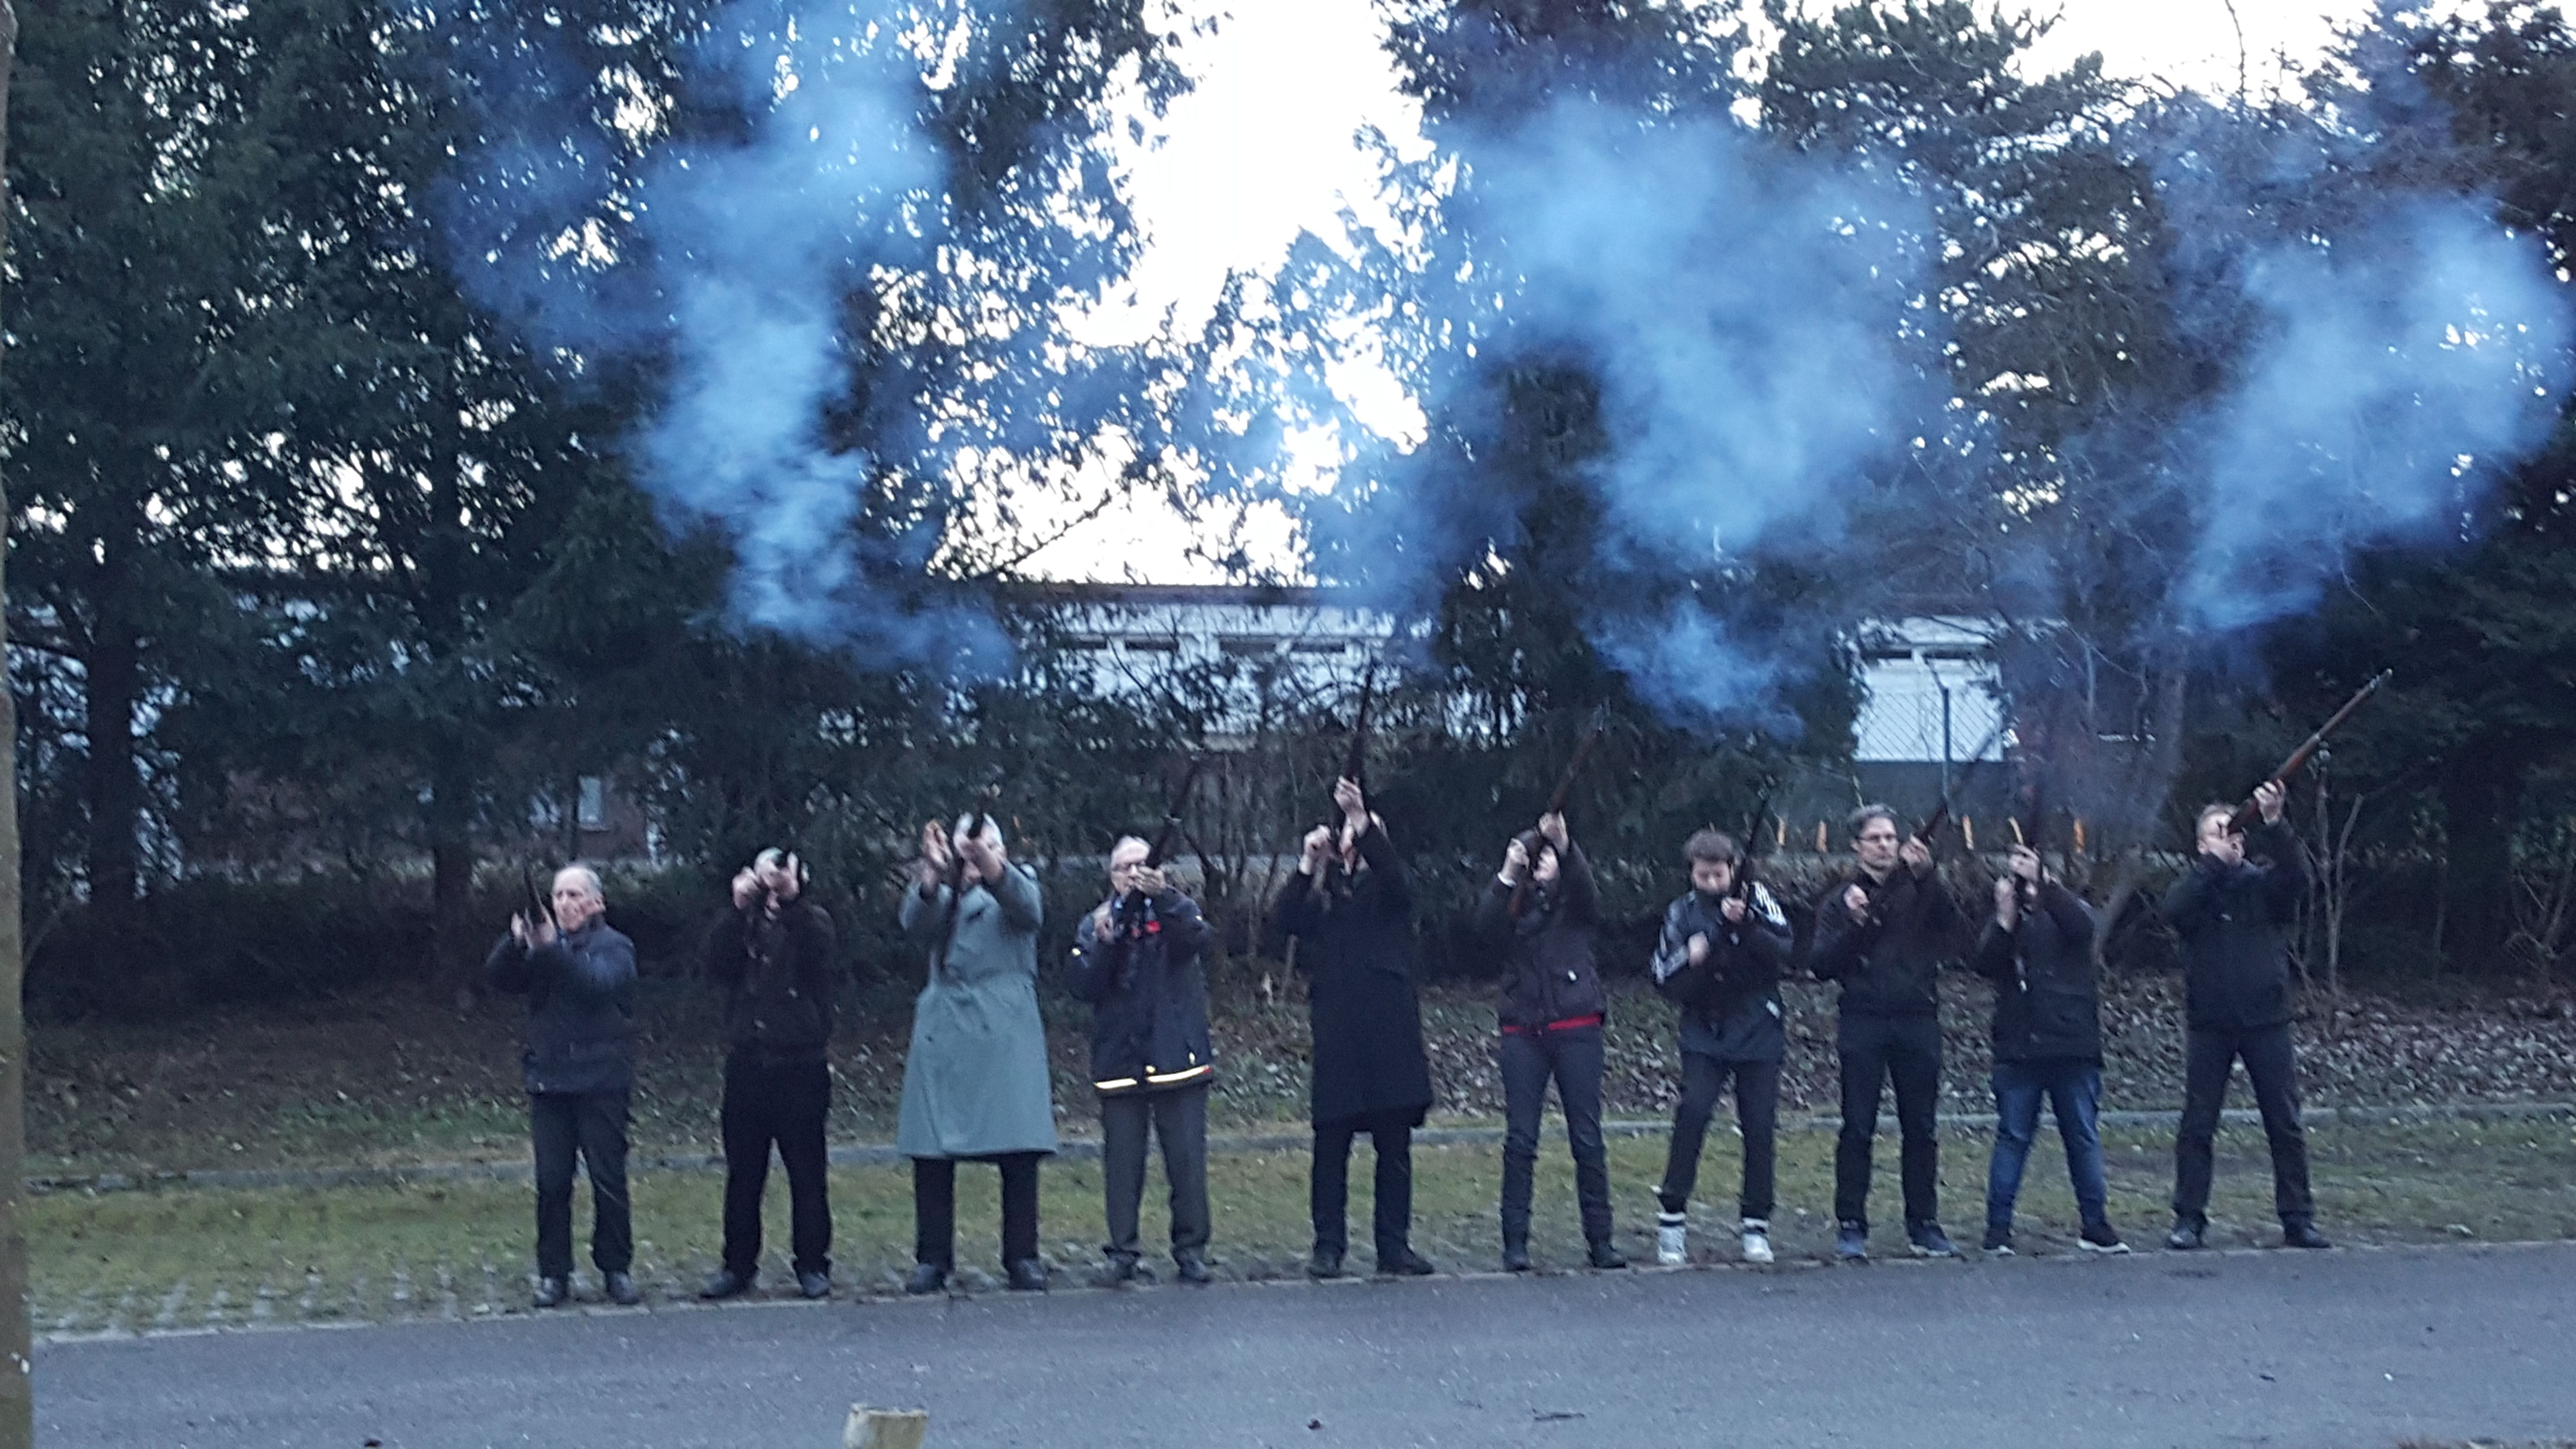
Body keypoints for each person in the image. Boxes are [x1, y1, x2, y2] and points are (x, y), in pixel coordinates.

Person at [1270, 776, 1436, 1279]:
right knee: (1330, 1148)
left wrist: (1362, 820)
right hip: (1339, 1037)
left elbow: (1397, 880)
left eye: (1365, 835)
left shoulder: (1391, 891)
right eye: (1351, 834)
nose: (1356, 841)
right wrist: (1308, 864)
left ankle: (1394, 1246)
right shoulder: (1325, 899)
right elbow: (1282, 921)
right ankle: (1328, 1246)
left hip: (1389, 1036)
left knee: (1394, 1148)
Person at [895, 813, 1060, 1293]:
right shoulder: (945, 898)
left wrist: (985, 858)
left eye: (984, 846)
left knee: (1018, 1152)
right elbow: (914, 923)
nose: (971, 856)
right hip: (944, 1031)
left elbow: (1027, 909)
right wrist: (933, 871)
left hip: (1003, 1032)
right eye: (966, 848)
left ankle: (1022, 1256)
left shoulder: (1016, 885)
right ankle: (932, 1258)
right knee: (932, 1154)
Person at [2162, 782, 2330, 1251]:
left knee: (2284, 1122)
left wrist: (2275, 824)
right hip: (2210, 1022)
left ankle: (2298, 1217)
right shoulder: (2194, 890)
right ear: (2201, 845)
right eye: (2219, 832)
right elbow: (2174, 910)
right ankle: (2189, 1217)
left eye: (2235, 831)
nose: (2231, 839)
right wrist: (2213, 868)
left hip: (2266, 1019)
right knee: (2198, 1124)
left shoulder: (2262, 885)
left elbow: (2298, 880)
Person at [483, 865, 640, 1308]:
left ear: (596, 902)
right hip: (549, 1081)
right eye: (558, 896)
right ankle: (554, 1273)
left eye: (574, 895)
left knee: (608, 1180)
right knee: (552, 1183)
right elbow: (498, 978)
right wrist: (516, 942)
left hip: (601, 1081)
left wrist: (550, 949)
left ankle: (616, 1268)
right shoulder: (543, 948)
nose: (565, 904)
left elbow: (595, 986)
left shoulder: (616, 947)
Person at [1810, 804, 1962, 1260]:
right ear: (1857, 847)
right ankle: (1851, 1223)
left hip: (1918, 1018)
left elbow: (1959, 935)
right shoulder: (1841, 900)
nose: (1884, 846)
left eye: (1890, 838)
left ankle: (1924, 1223)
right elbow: (1821, 965)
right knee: (1858, 1126)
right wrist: (1856, 927)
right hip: (1864, 1020)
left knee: (1921, 1127)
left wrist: (1928, 878)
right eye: (1874, 839)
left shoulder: (1921, 891)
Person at [1474, 811, 1621, 1272]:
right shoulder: (1513, 906)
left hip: (1576, 1027)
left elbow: (1589, 895)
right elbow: (1482, 930)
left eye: (1547, 858)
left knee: (1587, 1137)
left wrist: (1566, 847)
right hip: (1523, 1029)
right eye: (1535, 858)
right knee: (1521, 1139)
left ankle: (1601, 1240)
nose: (1541, 864)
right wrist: (1507, 874)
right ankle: (1515, 1242)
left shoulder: (1573, 903)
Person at [1068, 836, 1217, 1286]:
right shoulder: (1096, 922)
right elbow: (1083, 986)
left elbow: (1198, 940)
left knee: (1187, 1163)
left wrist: (1164, 897)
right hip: (1120, 1059)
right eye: (1124, 867)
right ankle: (1122, 1252)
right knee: (1122, 1166)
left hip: (1177, 1055)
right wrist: (1105, 943)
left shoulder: (1177, 909)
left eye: (1141, 865)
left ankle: (1191, 1251)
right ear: (1111, 876)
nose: (1133, 874)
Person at [1971, 844, 2125, 1256]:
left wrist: (2048, 889)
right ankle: (1998, 1228)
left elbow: (2083, 929)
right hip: (2019, 1047)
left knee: (2082, 1137)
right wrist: (2004, 919)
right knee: (2013, 1137)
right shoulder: (2008, 921)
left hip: (2072, 1044)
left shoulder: (2069, 910)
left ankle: (2095, 1224)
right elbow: (1984, 963)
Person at [699, 848, 839, 1301]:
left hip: (800, 1063)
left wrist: (792, 901)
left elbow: (820, 954)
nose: (774, 882)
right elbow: (715, 966)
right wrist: (738, 908)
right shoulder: (744, 924)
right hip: (748, 1062)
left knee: (807, 1171)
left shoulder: (813, 921)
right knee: (743, 1174)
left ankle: (813, 1263)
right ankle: (738, 1265)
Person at [1649, 829, 1792, 1266]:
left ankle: (1756, 1223)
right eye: (1703, 876)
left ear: (1733, 871)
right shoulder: (1681, 912)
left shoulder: (1759, 901)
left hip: (1758, 1028)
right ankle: (1672, 1217)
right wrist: (1695, 952)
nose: (1712, 883)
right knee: (1693, 1113)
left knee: (1760, 1125)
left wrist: (1746, 925)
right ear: (1691, 873)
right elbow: (1662, 975)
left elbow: (1786, 950)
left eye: (1719, 875)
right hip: (1704, 1030)